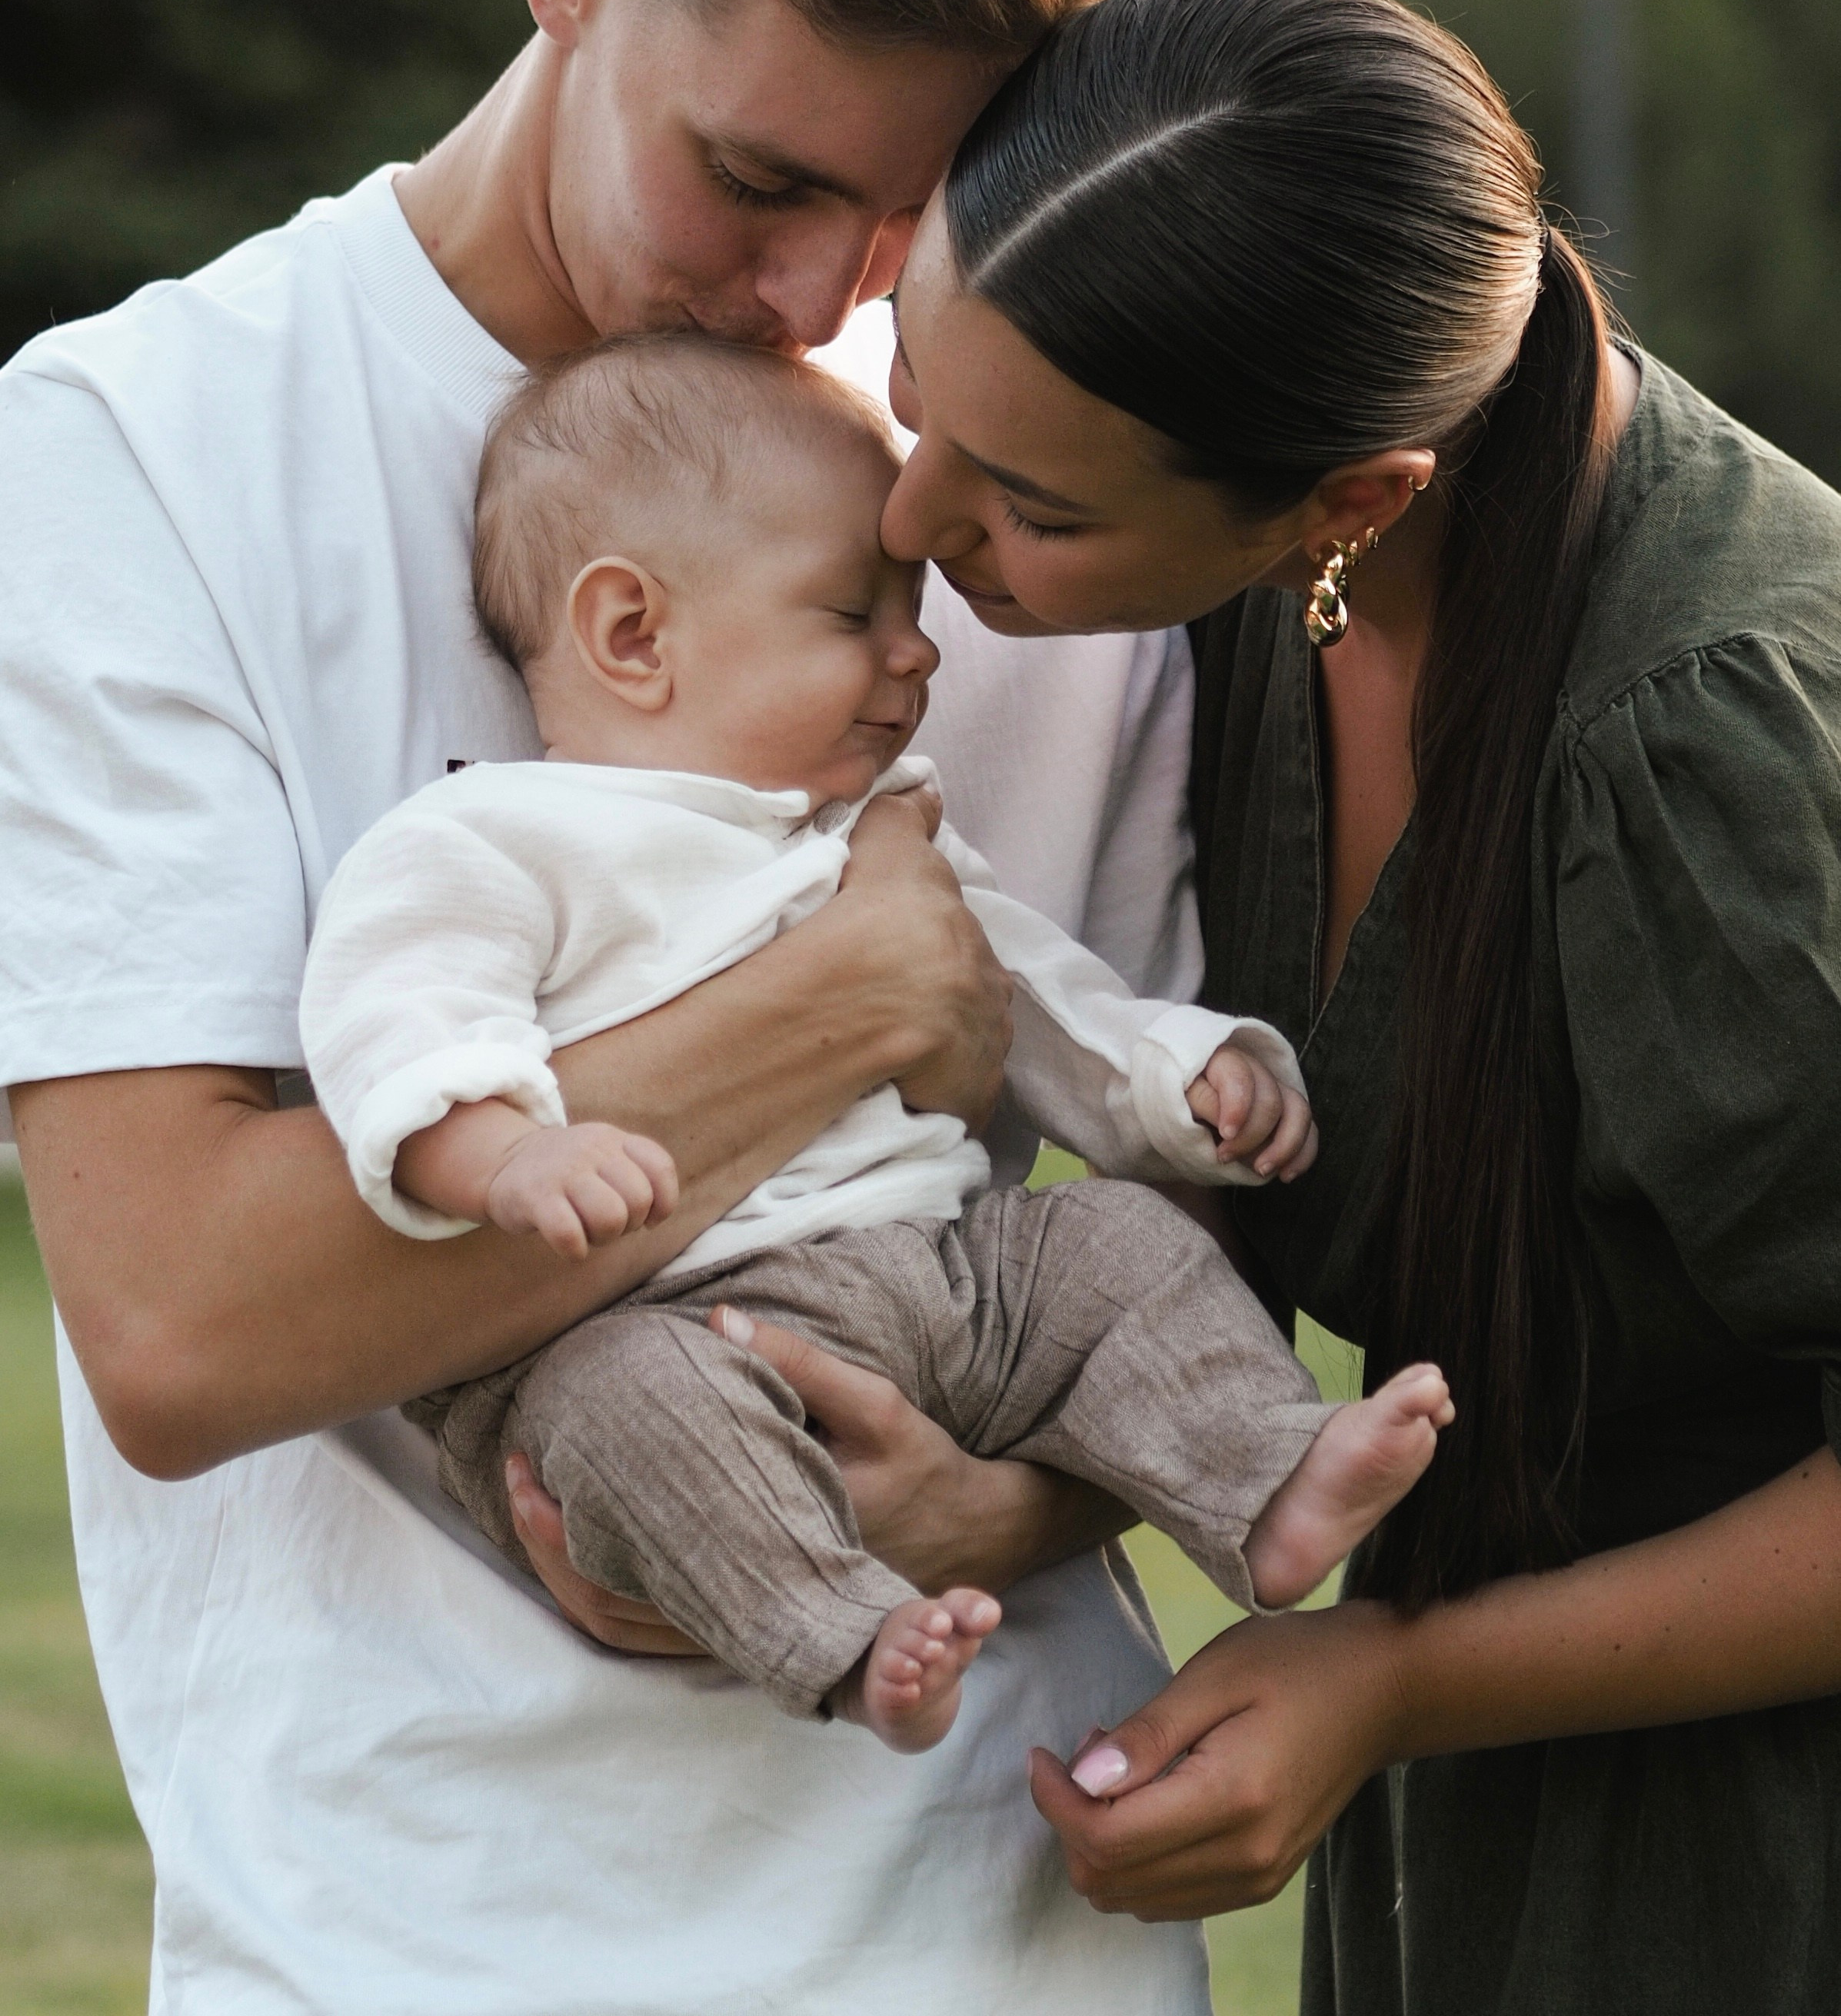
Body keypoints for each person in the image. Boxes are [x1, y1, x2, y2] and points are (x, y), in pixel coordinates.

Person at [0, 0, 1223, 2008]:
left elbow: (1232, 1230)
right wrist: (854, 997)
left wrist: (993, 1485)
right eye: (762, 176)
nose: (831, 296)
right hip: (396, 1950)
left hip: (991, 1925)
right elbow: (181, 1330)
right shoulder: (133, 458)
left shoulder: (1053, 482)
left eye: (926, 202)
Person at [877, 0, 1841, 2014]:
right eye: (910, 388)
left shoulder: (1718, 748)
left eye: (1028, 507)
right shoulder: (1250, 606)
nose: (910, 519)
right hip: (1463, 1809)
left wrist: (1395, 1680)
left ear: (1356, 500)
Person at [299, 332, 1453, 1747]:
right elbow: (396, 1017)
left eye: (910, 612)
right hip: (661, 1323)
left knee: (1120, 1250)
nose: (915, 651)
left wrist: (1178, 1077)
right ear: (631, 634)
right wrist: (503, 1160)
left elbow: (1037, 995)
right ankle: (847, 1636)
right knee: (623, 1410)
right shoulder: (494, 837)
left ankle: (1267, 1483)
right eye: (855, 612)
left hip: (938, 1285)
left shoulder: (878, 828)